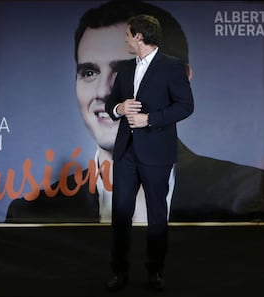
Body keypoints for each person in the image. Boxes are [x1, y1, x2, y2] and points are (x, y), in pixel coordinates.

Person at [5, 0, 264, 224]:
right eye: (89, 72)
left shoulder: (253, 193)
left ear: (181, 79)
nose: (103, 91)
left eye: (126, 70)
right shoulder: (29, 213)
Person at [103, 14, 194, 291]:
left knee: (156, 214)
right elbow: (111, 102)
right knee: (120, 213)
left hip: (156, 152)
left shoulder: (172, 67)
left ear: (139, 37)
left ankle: (155, 271)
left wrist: (149, 119)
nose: (126, 39)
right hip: (126, 153)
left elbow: (185, 106)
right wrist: (119, 109)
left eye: (129, 35)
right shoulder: (126, 69)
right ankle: (119, 272)